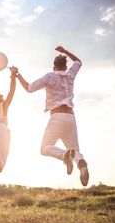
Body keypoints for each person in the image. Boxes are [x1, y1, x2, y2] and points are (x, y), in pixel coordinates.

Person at [13, 45, 89, 186]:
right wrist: (65, 51)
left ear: (54, 67)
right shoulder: (70, 75)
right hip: (71, 118)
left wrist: (17, 75)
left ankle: (64, 155)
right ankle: (81, 164)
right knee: (76, 152)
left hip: (57, 117)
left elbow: (29, 88)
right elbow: (78, 62)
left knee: (45, 148)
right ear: (65, 67)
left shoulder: (50, 76)